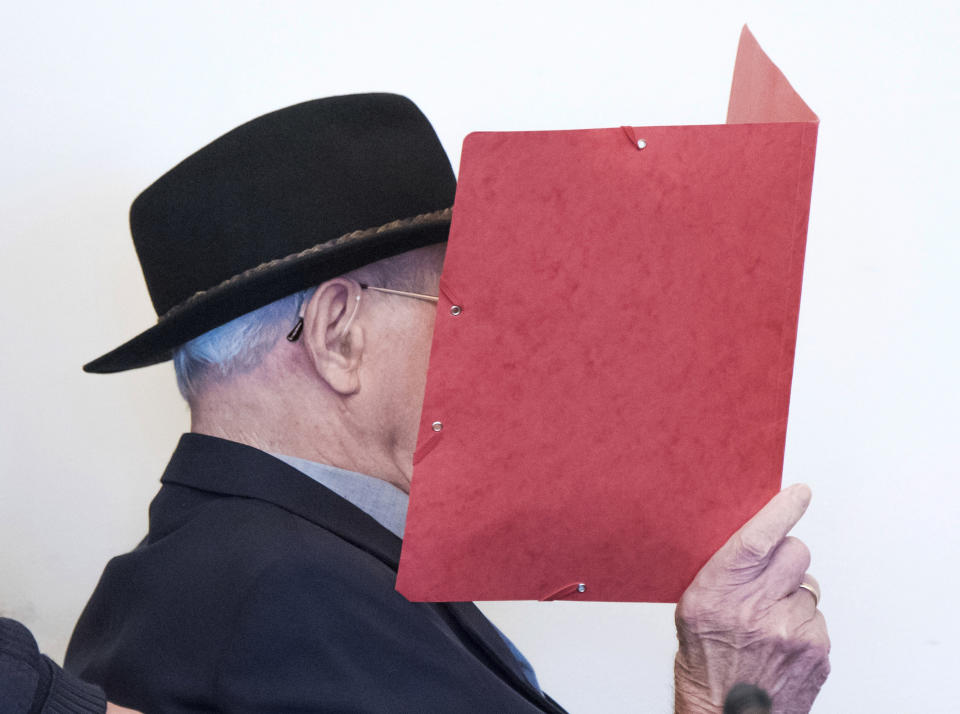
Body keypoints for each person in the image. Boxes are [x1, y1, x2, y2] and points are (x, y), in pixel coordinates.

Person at [56, 94, 828, 712]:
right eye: (453, 305)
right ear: (337, 336)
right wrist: (725, 695)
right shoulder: (290, 596)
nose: (489, 348)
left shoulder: (243, 557)